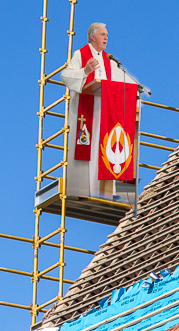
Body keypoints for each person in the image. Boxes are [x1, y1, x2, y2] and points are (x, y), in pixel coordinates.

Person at [60, 22, 146, 199]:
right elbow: (66, 76)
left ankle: (112, 191)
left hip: (108, 114)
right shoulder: (80, 54)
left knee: (110, 149)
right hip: (89, 112)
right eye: (102, 34)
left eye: (107, 35)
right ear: (92, 36)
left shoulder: (109, 60)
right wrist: (86, 70)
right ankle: (87, 191)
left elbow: (122, 81)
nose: (106, 38)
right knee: (89, 153)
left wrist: (135, 88)